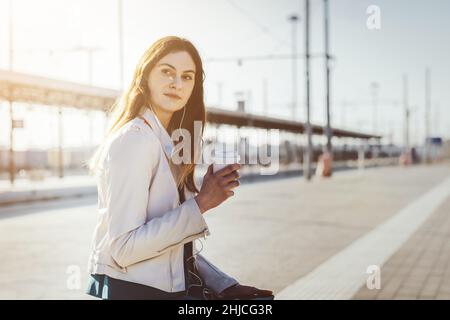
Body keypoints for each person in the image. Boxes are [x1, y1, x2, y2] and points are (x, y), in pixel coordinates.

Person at [85, 36, 273, 300]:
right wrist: (202, 203)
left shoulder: (166, 143)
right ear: (145, 75)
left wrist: (223, 284)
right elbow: (124, 248)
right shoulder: (135, 141)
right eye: (167, 72)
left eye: (187, 76)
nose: (177, 83)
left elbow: (170, 246)